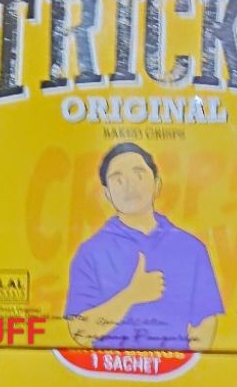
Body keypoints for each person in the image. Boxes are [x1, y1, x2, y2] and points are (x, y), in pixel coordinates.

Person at [64, 143, 224, 350]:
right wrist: (131, 295)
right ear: (107, 193)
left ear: (157, 184)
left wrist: (180, 367)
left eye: (139, 175)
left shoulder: (192, 249)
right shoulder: (90, 253)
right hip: (110, 368)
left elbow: (205, 324)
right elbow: (79, 331)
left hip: (175, 368)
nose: (129, 185)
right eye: (118, 179)